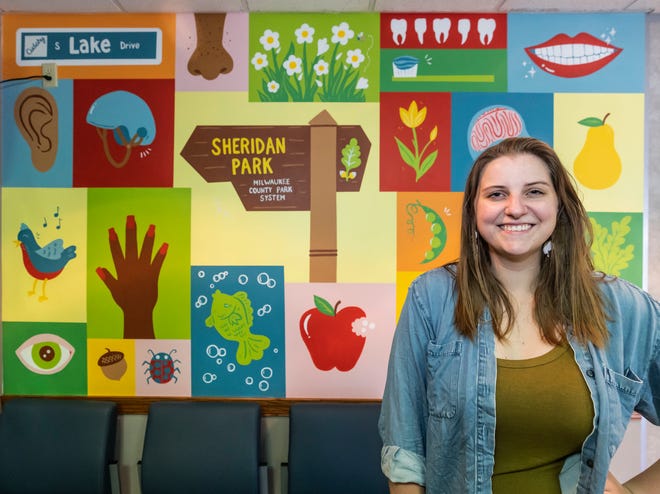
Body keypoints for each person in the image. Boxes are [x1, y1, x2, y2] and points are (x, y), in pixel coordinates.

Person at [378, 137, 660, 493]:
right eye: (497, 194)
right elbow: (405, 453)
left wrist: (633, 492)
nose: (514, 208)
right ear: (474, 210)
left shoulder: (619, 307)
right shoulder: (430, 298)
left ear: (560, 206)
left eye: (534, 192)